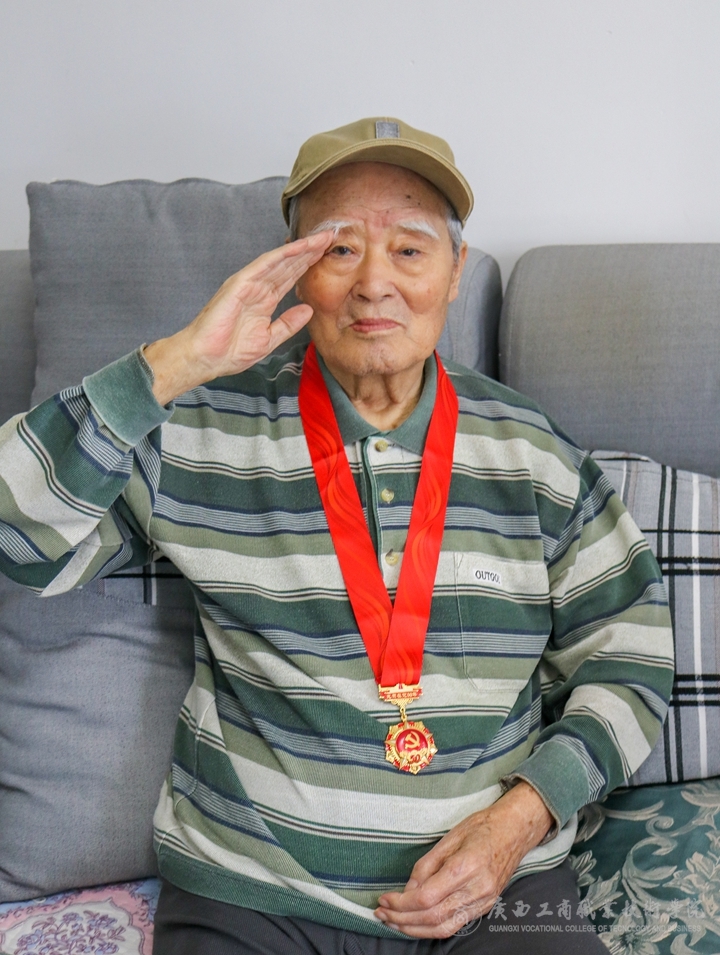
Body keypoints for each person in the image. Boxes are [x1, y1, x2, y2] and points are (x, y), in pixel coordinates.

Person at [0, 117, 673, 953]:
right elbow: (16, 535)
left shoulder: (534, 455)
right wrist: (172, 365)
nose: (374, 284)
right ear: (294, 272)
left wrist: (524, 815)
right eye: (340, 249)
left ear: (456, 271)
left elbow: (631, 655)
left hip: (495, 890)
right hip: (252, 892)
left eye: (410, 250)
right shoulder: (200, 430)